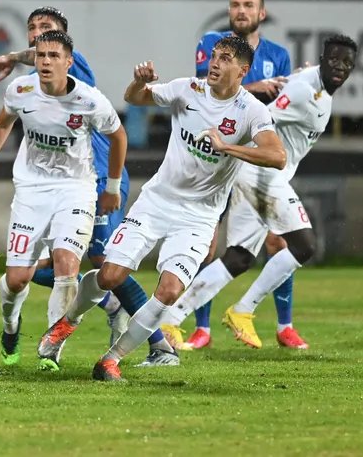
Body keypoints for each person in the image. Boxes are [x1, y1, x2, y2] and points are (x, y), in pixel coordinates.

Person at [37, 36, 287, 382]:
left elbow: (277, 156)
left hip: (199, 217)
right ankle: (68, 322)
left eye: (225, 58)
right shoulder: (188, 89)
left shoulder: (251, 111)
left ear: (243, 70)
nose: (214, 63)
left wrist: (228, 148)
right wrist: (139, 82)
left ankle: (111, 360)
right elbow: (134, 98)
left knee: (169, 291)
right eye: (214, 56)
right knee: (110, 276)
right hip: (157, 202)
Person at [0, 7, 179, 366]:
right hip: (52, 187)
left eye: (47, 28)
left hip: (99, 177)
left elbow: (115, 133)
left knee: (104, 260)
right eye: (33, 29)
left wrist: (11, 57)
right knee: (50, 267)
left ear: (67, 49)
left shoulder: (74, 71)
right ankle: (108, 303)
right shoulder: (31, 85)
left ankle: (159, 343)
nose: (38, 35)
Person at [161, 35, 357, 349]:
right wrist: (226, 144)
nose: (339, 67)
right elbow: (263, 117)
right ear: (323, 59)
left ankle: (171, 318)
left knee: (238, 258)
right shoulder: (303, 91)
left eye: (347, 62)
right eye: (333, 59)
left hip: (253, 175)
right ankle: (243, 310)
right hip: (261, 173)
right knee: (304, 245)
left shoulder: (313, 84)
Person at [0, 31, 128, 368]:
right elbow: (1, 125)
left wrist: (112, 187)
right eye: (41, 55)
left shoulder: (89, 100)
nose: (46, 61)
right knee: (17, 279)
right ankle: (10, 328)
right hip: (32, 191)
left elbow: (119, 136)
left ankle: (52, 350)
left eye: (54, 56)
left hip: (75, 189)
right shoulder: (20, 90)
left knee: (67, 265)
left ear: (69, 62)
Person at [187, 0, 296, 349]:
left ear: (262, 13)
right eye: (235, 4)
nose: (241, 10)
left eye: (249, 5)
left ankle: (284, 326)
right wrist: (257, 86)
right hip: (216, 158)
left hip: (253, 161)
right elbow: (210, 88)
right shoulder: (213, 43)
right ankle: (201, 329)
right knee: (206, 245)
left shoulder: (278, 55)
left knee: (279, 240)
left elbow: (280, 110)